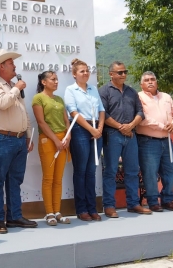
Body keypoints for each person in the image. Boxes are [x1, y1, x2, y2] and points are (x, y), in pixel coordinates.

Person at [0, 49, 35, 234]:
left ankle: (14, 217)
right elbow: (3, 103)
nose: (15, 65)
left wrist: (28, 135)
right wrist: (17, 88)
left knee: (15, 180)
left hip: (20, 140)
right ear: (1, 66)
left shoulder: (13, 86)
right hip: (2, 138)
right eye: (11, 62)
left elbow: (23, 112)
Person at [99, 61, 150, 217]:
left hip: (131, 136)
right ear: (111, 74)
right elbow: (103, 114)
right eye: (119, 72)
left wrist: (131, 125)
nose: (123, 75)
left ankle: (133, 204)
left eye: (125, 72)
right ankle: (109, 206)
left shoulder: (131, 91)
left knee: (133, 171)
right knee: (111, 171)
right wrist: (121, 127)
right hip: (112, 135)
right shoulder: (104, 91)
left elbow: (140, 112)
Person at [64, 59, 105, 222]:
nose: (86, 73)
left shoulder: (93, 89)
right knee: (80, 171)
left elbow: (101, 110)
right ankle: (81, 209)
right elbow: (73, 113)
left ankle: (92, 207)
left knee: (91, 172)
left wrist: (100, 128)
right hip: (81, 129)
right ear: (74, 75)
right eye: (82, 71)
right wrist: (91, 130)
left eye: (87, 70)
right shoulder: (70, 90)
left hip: (96, 129)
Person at [136, 71, 173, 212]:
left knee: (171, 171)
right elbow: (143, 117)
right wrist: (162, 126)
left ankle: (167, 200)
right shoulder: (138, 97)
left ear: (157, 82)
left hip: (167, 140)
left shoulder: (166, 97)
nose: (150, 82)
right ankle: (152, 201)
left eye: (153, 79)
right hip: (148, 141)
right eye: (147, 80)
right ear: (141, 84)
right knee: (150, 173)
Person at [32, 70, 71, 226]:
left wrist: (68, 136)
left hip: (63, 140)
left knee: (58, 179)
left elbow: (67, 121)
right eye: (53, 79)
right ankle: (49, 213)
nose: (56, 82)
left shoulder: (59, 99)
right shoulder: (38, 98)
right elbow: (41, 122)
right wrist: (55, 139)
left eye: (57, 79)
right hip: (48, 140)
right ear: (43, 82)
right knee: (48, 179)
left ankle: (58, 212)